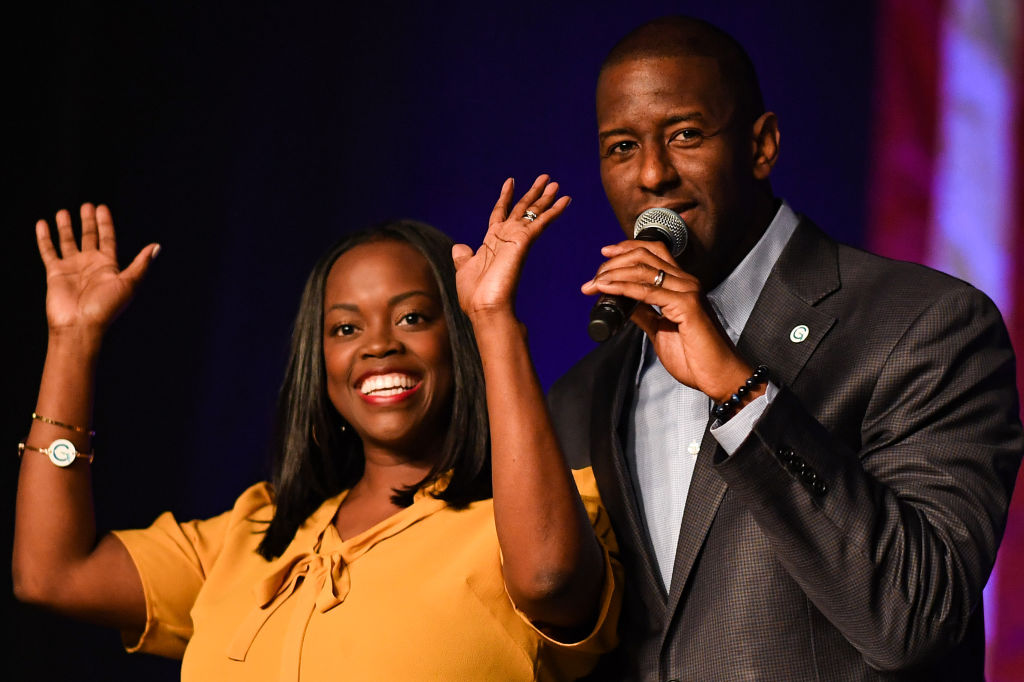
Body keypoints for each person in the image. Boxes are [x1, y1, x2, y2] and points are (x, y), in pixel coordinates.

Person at [548, 15, 1024, 681]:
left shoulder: (927, 326)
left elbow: (917, 617)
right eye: (621, 147)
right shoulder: (580, 399)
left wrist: (744, 397)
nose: (652, 174)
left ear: (762, 145)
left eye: (684, 135)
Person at [12, 175, 622, 680]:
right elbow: (52, 572)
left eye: (412, 317)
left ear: (455, 338)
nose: (379, 345)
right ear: (319, 361)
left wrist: (491, 319)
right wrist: (73, 341)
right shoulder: (252, 533)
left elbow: (548, 579)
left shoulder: (539, 518)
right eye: (346, 328)